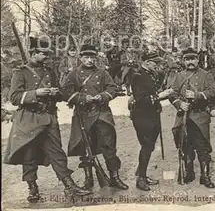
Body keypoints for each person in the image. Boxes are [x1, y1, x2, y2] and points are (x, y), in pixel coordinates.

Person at [4, 37, 91, 203]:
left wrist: (56, 93)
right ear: (34, 53)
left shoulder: (50, 71)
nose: (47, 58)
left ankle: (69, 186)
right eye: (44, 55)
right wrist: (36, 93)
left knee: (57, 153)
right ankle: (33, 188)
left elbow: (59, 92)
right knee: (29, 155)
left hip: (49, 118)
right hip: (29, 120)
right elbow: (14, 97)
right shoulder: (20, 72)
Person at [62, 44, 128, 191]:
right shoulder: (73, 74)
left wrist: (102, 96)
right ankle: (89, 179)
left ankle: (114, 177)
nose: (90, 60)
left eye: (92, 57)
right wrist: (83, 98)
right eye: (86, 57)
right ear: (81, 58)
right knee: (86, 148)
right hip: (83, 115)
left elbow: (112, 88)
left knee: (109, 146)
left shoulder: (103, 72)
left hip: (102, 113)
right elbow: (66, 92)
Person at [166, 47, 215, 188]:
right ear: (183, 61)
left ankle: (205, 176)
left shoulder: (206, 75)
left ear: (197, 60)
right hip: (184, 116)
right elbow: (172, 94)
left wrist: (197, 95)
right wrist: (179, 104)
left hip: (200, 116)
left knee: (202, 146)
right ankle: (189, 172)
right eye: (187, 59)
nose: (190, 62)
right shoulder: (179, 76)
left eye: (193, 59)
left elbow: (213, 92)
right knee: (185, 145)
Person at [129, 51, 167, 191]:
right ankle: (141, 179)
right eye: (155, 63)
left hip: (152, 115)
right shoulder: (138, 76)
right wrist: (161, 96)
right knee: (146, 146)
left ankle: (142, 173)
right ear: (146, 63)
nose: (157, 65)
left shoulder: (151, 74)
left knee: (149, 147)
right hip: (142, 117)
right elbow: (142, 99)